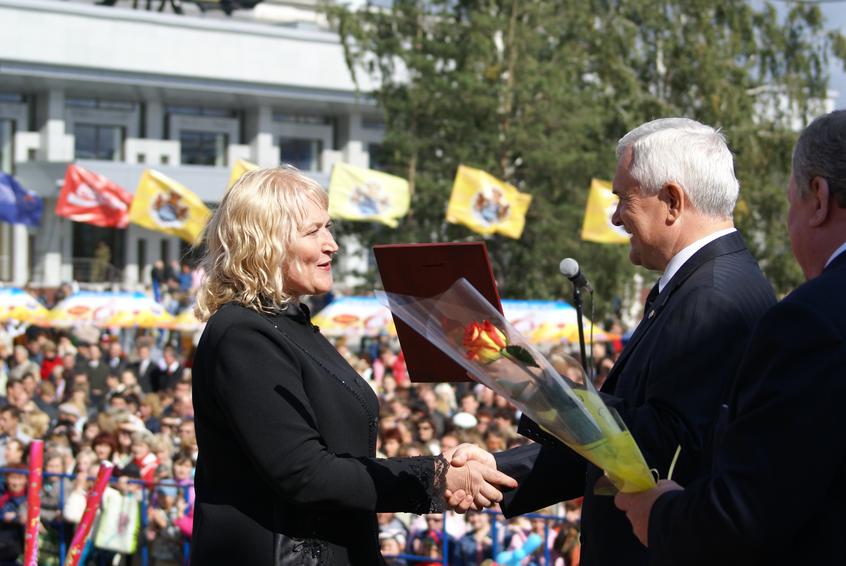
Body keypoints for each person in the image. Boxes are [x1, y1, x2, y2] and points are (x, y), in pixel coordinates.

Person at [451, 117, 776, 566]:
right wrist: (499, 470)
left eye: (624, 198)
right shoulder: (704, 284)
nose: (616, 217)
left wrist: (540, 386)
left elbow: (657, 447)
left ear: (672, 201)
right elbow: (617, 453)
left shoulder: (712, 296)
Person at [189, 167, 516, 566]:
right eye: (313, 232)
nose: (332, 245)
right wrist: (434, 477)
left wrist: (437, 472)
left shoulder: (290, 325)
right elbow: (303, 472)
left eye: (327, 228)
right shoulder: (244, 334)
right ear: (264, 242)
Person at [614, 110, 846, 565]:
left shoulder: (810, 318)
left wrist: (659, 514)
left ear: (818, 199)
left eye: (791, 202)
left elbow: (749, 510)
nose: (616, 216)